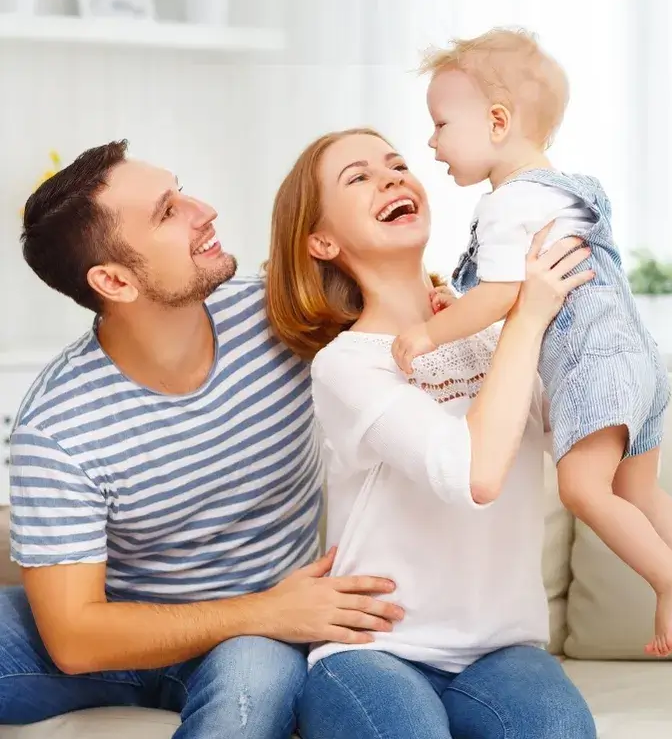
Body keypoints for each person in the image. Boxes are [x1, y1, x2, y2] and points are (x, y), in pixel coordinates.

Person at [0, 140, 407, 738]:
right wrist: (271, 609)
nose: (205, 210)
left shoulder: (284, 319)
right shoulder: (57, 426)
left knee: (252, 692)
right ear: (113, 280)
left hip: (254, 640)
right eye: (168, 212)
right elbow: (76, 638)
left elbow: (407, 304)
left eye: (181, 190)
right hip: (135, 629)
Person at [390, 27, 672, 657]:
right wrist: (462, 307)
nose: (431, 143)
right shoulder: (565, 190)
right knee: (640, 491)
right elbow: (527, 296)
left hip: (593, 364)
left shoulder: (506, 204)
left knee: (581, 489)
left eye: (439, 125)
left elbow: (502, 299)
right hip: (639, 360)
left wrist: (430, 330)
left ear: (496, 122)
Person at [264, 127, 597, 739]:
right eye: (358, 177)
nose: (391, 177)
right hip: (375, 649)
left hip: (502, 650)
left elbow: (587, 433)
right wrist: (524, 315)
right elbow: (471, 474)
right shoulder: (347, 363)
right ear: (322, 240)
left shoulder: (496, 333)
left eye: (396, 164)